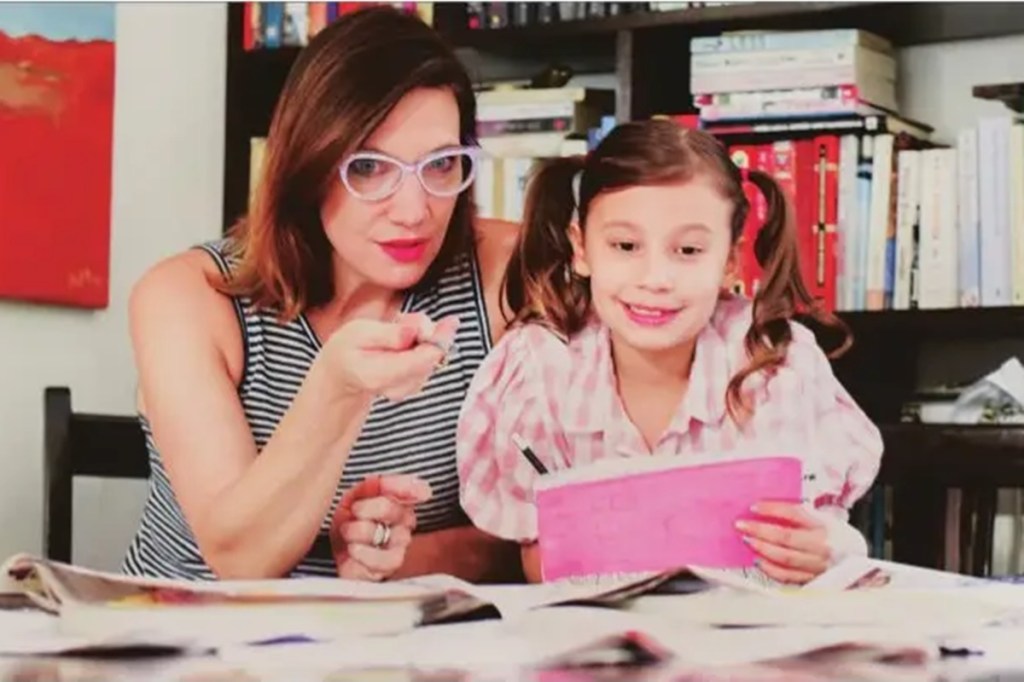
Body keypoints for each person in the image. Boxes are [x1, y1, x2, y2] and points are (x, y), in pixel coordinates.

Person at [122, 6, 523, 582]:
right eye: (369, 169)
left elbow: (552, 529)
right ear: (308, 167)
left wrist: (394, 558)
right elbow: (241, 559)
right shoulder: (187, 297)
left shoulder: (501, 271)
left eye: (441, 165)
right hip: (190, 627)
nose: (415, 211)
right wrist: (338, 386)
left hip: (394, 634)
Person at [455, 119, 883, 585]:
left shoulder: (776, 366)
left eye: (688, 250)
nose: (655, 278)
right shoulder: (538, 367)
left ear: (730, 260)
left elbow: (828, 536)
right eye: (625, 246)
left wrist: (827, 548)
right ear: (581, 248)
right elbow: (537, 559)